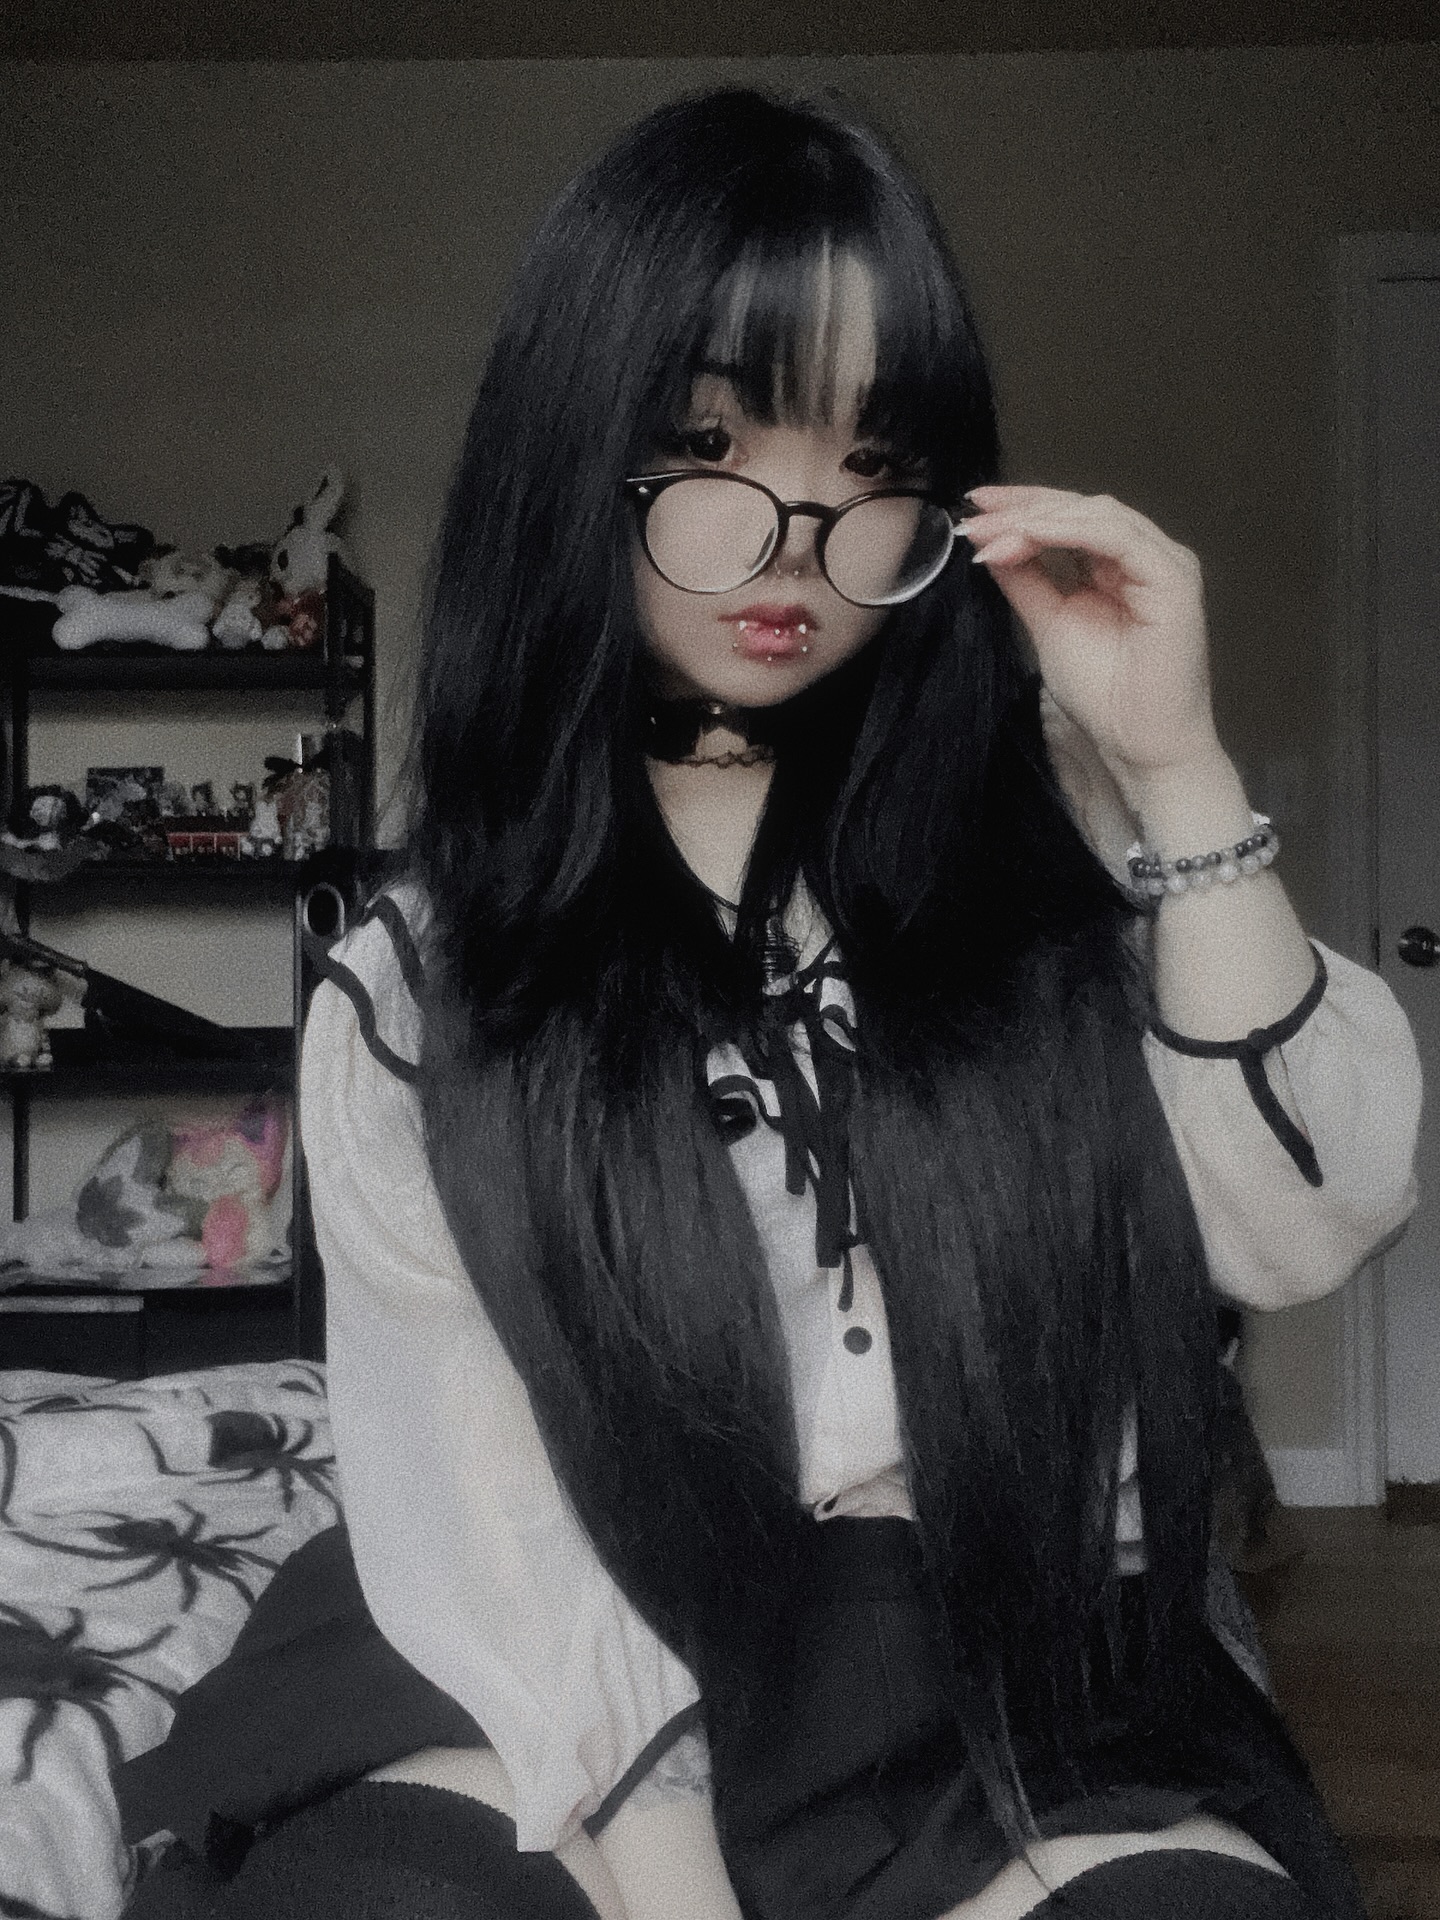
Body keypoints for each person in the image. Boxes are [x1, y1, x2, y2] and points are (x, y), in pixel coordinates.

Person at [133, 87, 1421, 1920]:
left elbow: (1310, 1219)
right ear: (581, 450)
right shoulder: (422, 984)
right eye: (711, 441)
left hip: (998, 1664)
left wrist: (1176, 763)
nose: (799, 532)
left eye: (872, 460)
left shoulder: (1057, 875)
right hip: (550, 1651)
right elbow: (502, 1527)